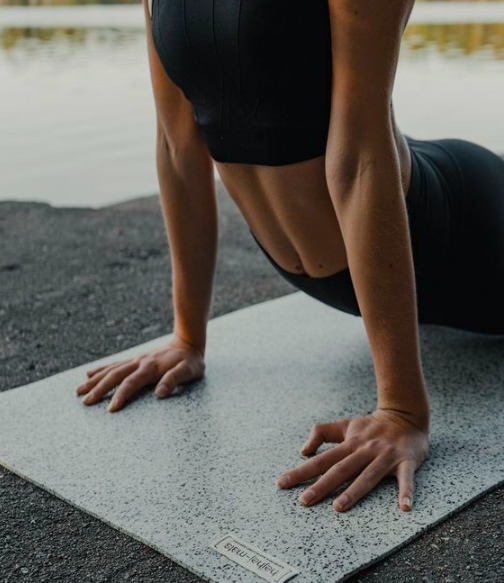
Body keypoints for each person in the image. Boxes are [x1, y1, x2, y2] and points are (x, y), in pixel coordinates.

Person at [76, 0, 504, 514]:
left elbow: (362, 160)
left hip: (460, 233)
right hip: (349, 271)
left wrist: (402, 410)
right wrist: (188, 337)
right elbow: (176, 145)